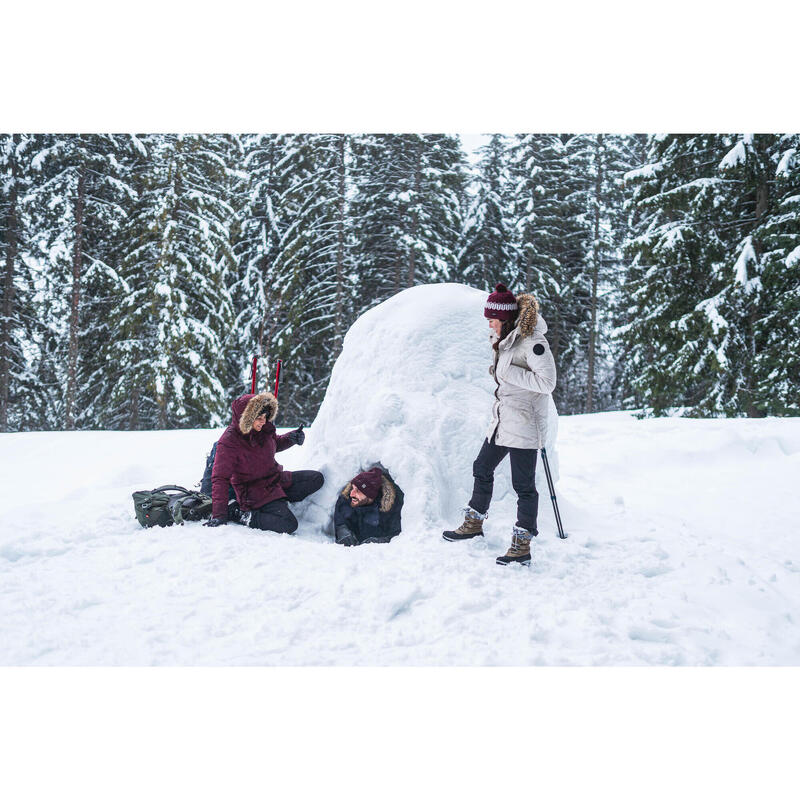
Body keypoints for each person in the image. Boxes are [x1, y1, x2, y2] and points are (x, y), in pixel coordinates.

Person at [442, 282, 556, 565]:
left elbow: (547, 383)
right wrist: (502, 369)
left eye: (492, 320)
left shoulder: (533, 342)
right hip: (503, 420)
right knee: (481, 467)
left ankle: (522, 545)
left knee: (524, 486)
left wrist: (507, 373)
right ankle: (474, 523)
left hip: (525, 424)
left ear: (504, 319)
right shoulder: (509, 340)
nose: (489, 325)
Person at [205, 392, 323, 533]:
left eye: (265, 417)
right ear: (247, 418)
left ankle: (278, 501)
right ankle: (241, 514)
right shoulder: (230, 441)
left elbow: (274, 444)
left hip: (275, 480)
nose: (263, 421)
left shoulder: (263, 429)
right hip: (254, 491)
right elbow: (220, 478)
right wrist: (219, 515)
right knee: (289, 524)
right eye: (259, 418)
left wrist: (291, 438)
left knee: (316, 479)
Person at [333, 466, 403, 546]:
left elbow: (397, 534)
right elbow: (341, 520)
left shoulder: (390, 507)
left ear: (370, 496)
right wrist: (343, 532)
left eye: (358, 491)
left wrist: (379, 541)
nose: (352, 493)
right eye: (353, 488)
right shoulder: (348, 498)